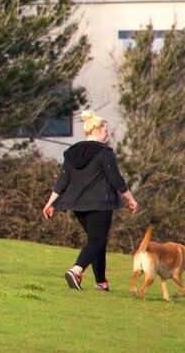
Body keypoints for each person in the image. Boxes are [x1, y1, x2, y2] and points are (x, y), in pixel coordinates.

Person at [42, 110, 137, 291]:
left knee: (96, 240)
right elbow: (115, 178)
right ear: (98, 129)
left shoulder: (72, 152)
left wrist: (50, 202)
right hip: (100, 203)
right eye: (106, 130)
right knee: (97, 240)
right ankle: (76, 270)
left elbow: (62, 180)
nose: (107, 134)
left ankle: (101, 282)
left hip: (77, 205)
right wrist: (130, 199)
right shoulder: (104, 152)